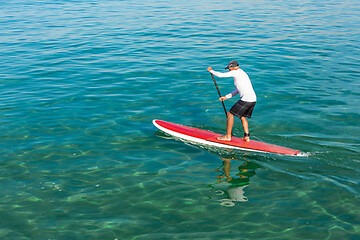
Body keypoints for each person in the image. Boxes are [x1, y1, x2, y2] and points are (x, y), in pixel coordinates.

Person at [207, 60, 256, 142]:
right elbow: (238, 90)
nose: (229, 70)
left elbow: (220, 75)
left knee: (230, 114)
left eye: (229, 68)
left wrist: (211, 70)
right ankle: (246, 137)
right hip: (253, 99)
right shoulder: (242, 73)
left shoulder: (235, 72)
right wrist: (226, 97)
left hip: (246, 100)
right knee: (242, 116)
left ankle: (227, 136)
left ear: (233, 67)